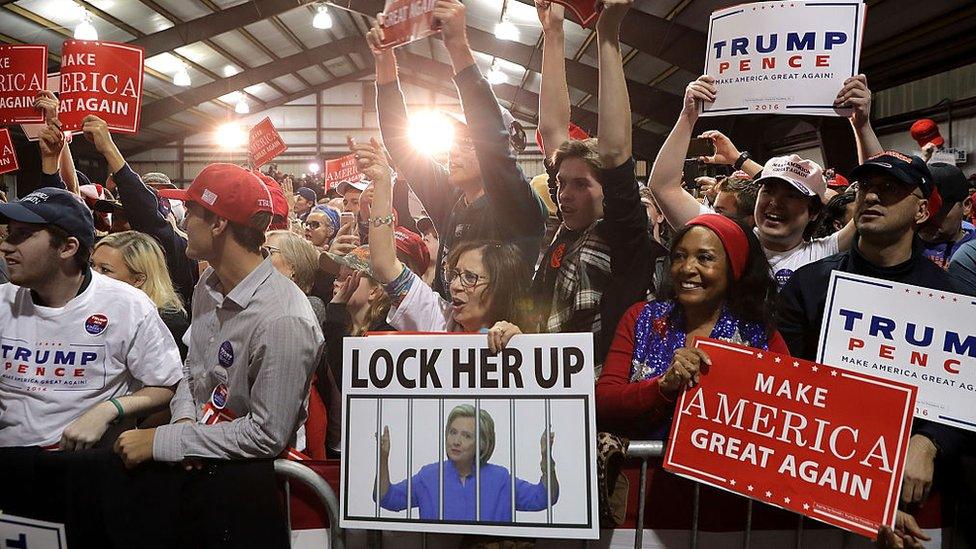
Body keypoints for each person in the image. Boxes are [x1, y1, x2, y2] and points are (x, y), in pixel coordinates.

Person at [113, 163, 323, 546]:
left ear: (218, 224)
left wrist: (165, 442)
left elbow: (266, 434)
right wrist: (184, 426)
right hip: (200, 481)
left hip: (251, 499)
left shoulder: (284, 319)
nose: (181, 220)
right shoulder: (208, 283)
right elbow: (194, 373)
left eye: (190, 212)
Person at [775, 151, 967, 518]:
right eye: (866, 187)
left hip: (915, 500)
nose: (872, 197)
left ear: (922, 211)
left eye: (890, 188)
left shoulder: (950, 299)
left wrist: (930, 441)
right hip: (818, 483)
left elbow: (962, 395)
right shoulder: (810, 284)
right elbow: (786, 381)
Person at [368, 0, 546, 297]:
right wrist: (384, 59)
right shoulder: (452, 198)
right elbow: (399, 144)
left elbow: (491, 140)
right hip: (454, 337)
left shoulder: (517, 205)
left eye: (468, 141)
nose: (454, 149)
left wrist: (457, 46)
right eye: (455, 140)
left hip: (500, 339)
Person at [0, 187, 182, 467]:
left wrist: (109, 409)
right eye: (9, 233)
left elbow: (167, 385)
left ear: (67, 247)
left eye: (23, 235)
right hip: (10, 463)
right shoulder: (3, 302)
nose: (6, 245)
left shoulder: (128, 305)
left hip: (86, 468)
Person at [648, 74, 885, 287]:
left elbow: (878, 194)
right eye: (768, 190)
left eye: (792, 195)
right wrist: (688, 116)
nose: (775, 202)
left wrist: (862, 126)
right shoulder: (729, 239)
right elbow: (663, 187)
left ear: (813, 211)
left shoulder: (825, 254)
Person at [531, 0, 657, 363]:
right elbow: (551, 128)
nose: (564, 194)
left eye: (581, 185)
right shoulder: (566, 231)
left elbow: (616, 152)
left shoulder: (624, 235)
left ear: (610, 191)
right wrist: (553, 33)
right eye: (561, 183)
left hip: (604, 398)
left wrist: (607, 35)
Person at [596, 214, 785, 439]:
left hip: (720, 472)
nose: (687, 268)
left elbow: (785, 419)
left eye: (704, 258)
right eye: (679, 256)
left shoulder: (760, 336)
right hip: (640, 472)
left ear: (734, 267)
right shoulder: (641, 318)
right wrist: (662, 387)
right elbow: (603, 403)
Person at [81, 115, 199, 307]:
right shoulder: (103, 251)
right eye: (115, 217)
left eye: (126, 219)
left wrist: (109, 149)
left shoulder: (175, 251)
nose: (116, 227)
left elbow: (146, 216)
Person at [375, 405, 558, 521]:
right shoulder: (429, 476)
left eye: (466, 436)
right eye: (453, 432)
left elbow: (544, 498)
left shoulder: (500, 479)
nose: (456, 441)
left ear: (482, 444)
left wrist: (545, 459)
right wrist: (383, 459)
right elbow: (385, 498)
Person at [91, 231, 190, 360]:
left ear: (138, 280)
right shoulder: (89, 306)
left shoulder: (167, 322)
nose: (93, 274)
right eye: (92, 265)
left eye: (105, 270)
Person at [919, 162, 975, 269]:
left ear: (966, 206)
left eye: (939, 209)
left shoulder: (973, 253)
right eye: (922, 206)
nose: (927, 215)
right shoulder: (898, 243)